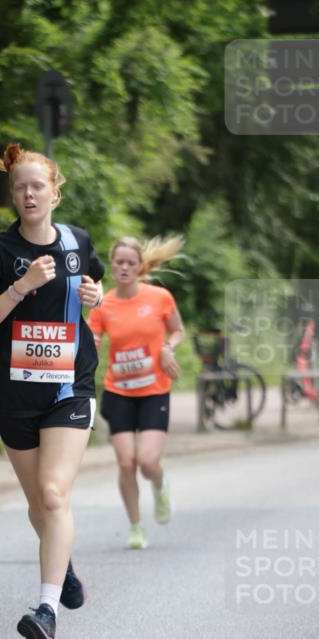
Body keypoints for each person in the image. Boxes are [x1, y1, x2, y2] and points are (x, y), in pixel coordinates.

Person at [0, 143, 105, 639]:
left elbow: (94, 289)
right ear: (13, 195)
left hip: (70, 388)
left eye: (37, 186)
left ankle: (46, 609)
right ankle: (63, 566)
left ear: (55, 192)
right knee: (37, 505)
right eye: (20, 187)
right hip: (15, 395)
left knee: (53, 494)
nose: (29, 194)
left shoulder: (77, 241)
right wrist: (20, 287)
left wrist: (99, 297)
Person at [88, 236, 185, 550]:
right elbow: (94, 340)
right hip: (119, 392)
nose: (125, 268)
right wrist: (86, 349)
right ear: (112, 265)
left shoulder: (160, 298)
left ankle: (159, 484)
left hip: (154, 390)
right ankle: (135, 527)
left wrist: (168, 348)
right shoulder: (104, 304)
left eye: (131, 263)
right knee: (126, 463)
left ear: (140, 266)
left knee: (146, 461)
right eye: (120, 263)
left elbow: (178, 330)